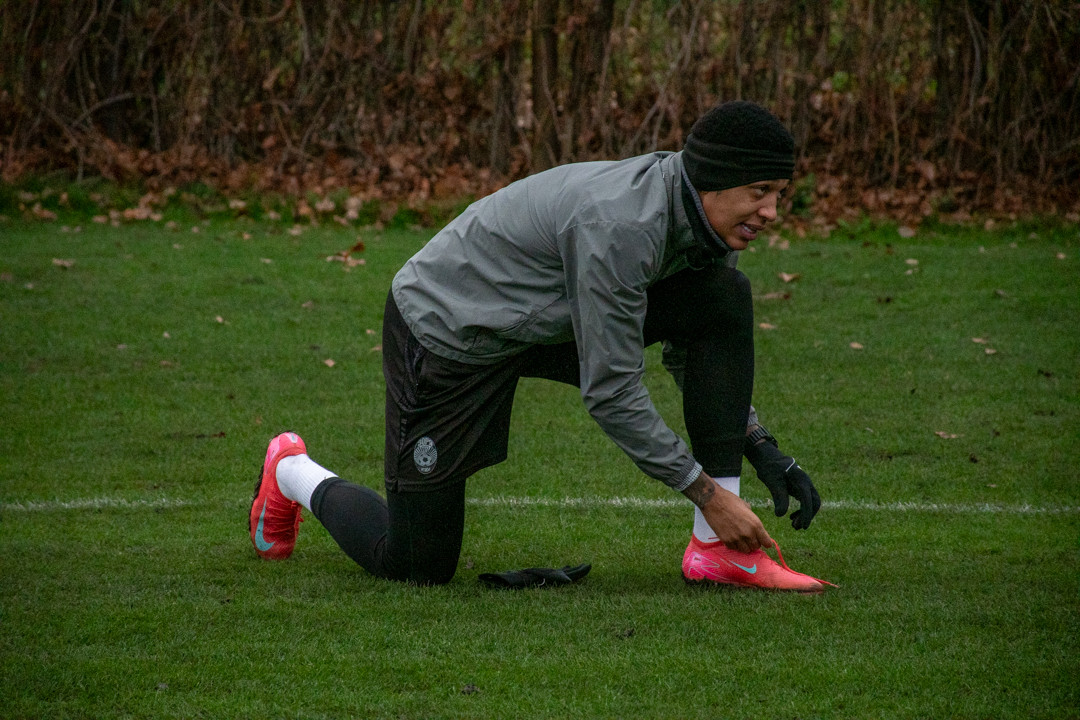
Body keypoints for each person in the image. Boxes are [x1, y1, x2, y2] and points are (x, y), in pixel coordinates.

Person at [249, 100, 830, 591]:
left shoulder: (708, 223)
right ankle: (292, 471)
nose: (771, 212)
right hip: (449, 329)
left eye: (779, 193)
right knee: (416, 565)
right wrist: (705, 493)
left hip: (545, 319)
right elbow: (611, 391)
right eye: (760, 191)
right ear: (713, 179)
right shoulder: (622, 227)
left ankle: (719, 553)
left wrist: (760, 444)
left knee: (722, 297)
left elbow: (692, 348)